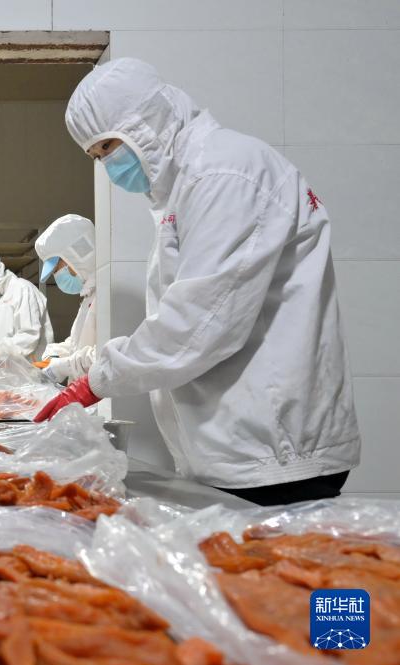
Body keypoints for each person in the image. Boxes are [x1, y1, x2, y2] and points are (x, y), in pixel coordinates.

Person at [36, 57, 360, 506]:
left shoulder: (225, 173)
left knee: (270, 555)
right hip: (242, 445)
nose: (108, 165)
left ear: (145, 120)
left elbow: (198, 324)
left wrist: (95, 381)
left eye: (108, 146)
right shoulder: (191, 183)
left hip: (275, 451)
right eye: (97, 156)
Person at [35, 214, 97, 385]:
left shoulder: (108, 293)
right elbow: (78, 343)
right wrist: (55, 353)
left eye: (57, 268)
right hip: (85, 390)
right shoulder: (89, 294)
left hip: (101, 393)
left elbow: (108, 354)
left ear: (77, 254)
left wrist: (65, 366)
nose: (56, 276)